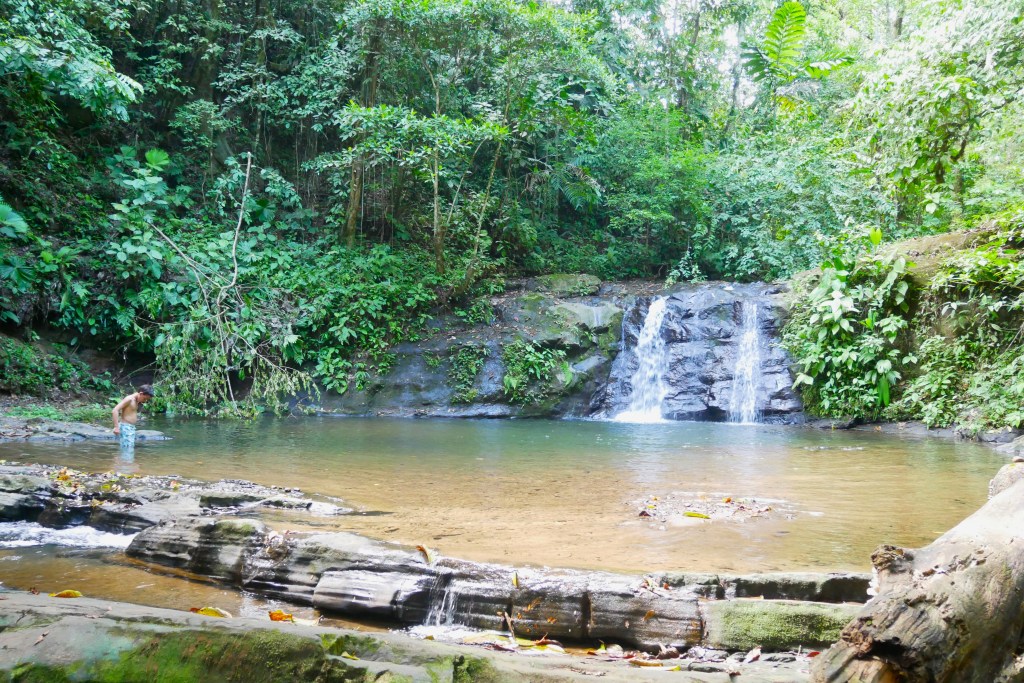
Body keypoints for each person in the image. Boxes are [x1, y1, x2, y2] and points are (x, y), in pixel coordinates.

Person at [112, 384, 155, 453]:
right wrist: (116, 427)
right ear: (141, 393)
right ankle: (124, 463)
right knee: (127, 450)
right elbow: (115, 410)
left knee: (127, 449)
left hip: (130, 428)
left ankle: (122, 463)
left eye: (147, 399)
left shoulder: (136, 400)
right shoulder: (129, 399)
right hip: (126, 428)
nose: (145, 401)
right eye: (144, 398)